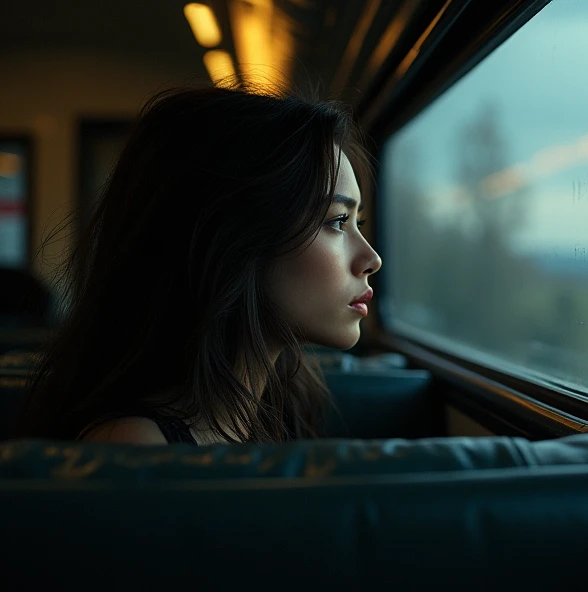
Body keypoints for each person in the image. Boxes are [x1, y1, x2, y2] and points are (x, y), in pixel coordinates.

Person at [14, 84, 382, 445]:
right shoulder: (134, 447)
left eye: (358, 223)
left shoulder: (280, 409)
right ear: (237, 240)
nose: (372, 259)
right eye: (336, 221)